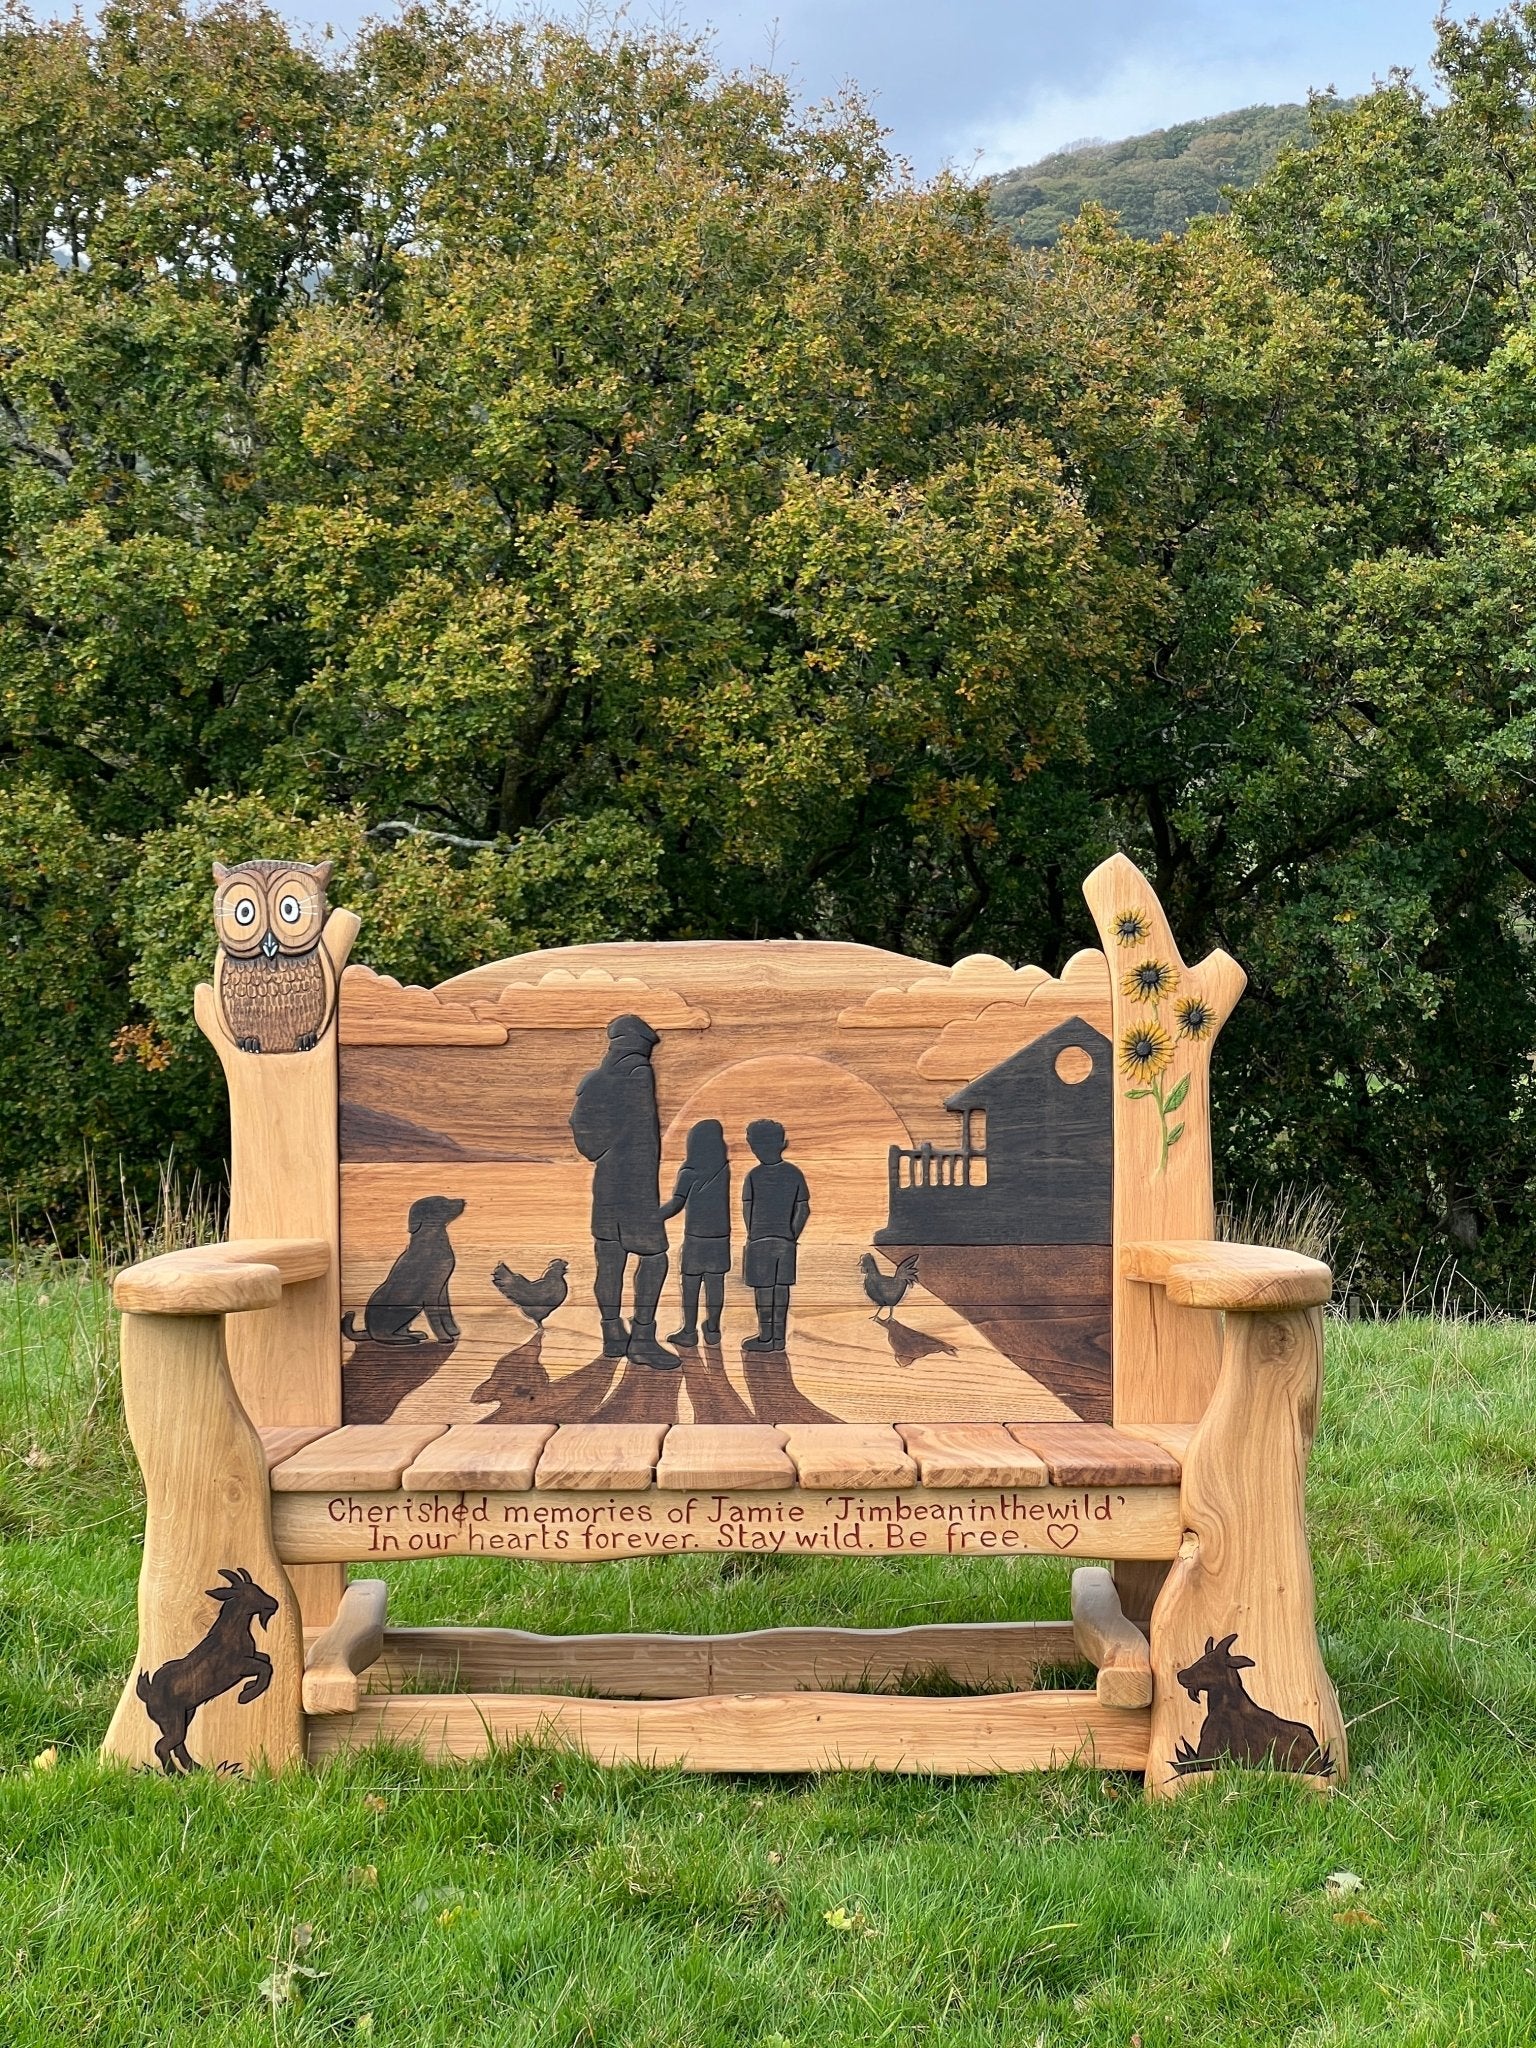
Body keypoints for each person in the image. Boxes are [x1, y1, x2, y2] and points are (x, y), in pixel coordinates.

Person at [569, 1014, 678, 1371]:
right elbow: (645, 1136)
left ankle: (612, 1333)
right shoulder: (638, 1074)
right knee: (654, 1256)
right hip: (636, 1184)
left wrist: (599, 1152)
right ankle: (643, 1339)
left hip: (606, 1182)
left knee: (610, 1257)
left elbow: (579, 1125)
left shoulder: (593, 1080)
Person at [740, 1118, 810, 1353]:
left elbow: (747, 1208)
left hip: (760, 1241)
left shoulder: (753, 1176)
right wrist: (791, 1234)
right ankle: (777, 1338)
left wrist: (753, 1233)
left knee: (764, 1291)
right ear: (783, 1143)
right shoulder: (794, 1173)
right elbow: (803, 1208)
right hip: (785, 1242)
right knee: (781, 1290)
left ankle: (766, 1336)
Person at [660, 1119, 730, 1346]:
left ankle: (689, 1331)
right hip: (720, 1238)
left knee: (690, 1283)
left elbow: (675, 1205)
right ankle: (713, 1329)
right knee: (715, 1283)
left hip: (696, 1237)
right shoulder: (723, 1169)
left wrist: (652, 1217)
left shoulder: (689, 1172)